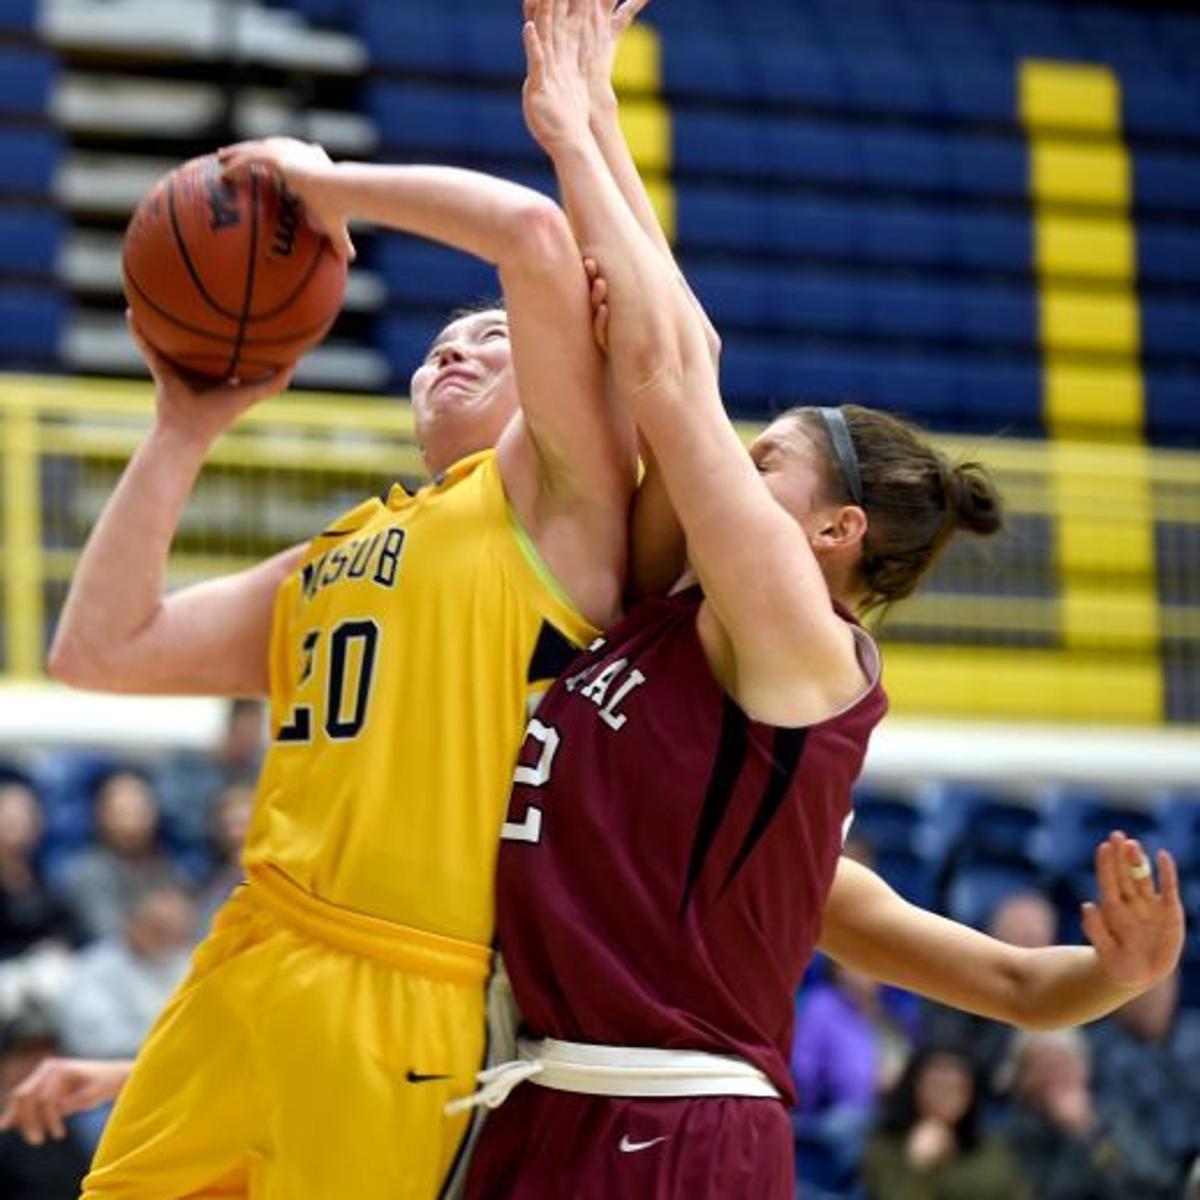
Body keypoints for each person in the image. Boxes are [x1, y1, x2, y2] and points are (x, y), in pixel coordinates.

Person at [456, 2, 1186, 1196]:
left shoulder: (806, 643)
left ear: (835, 533)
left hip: (673, 1133)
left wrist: (575, 129)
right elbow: (1011, 985)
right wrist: (590, 113)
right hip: (558, 1104)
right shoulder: (734, 770)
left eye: (762, 467)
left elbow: (670, 374)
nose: (726, 468)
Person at [43, 125, 637, 1196]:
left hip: (405, 979)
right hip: (247, 949)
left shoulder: (556, 504)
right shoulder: (334, 554)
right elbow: (99, 650)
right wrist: (182, 428)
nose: (455, 349)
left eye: (493, 337)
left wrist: (327, 189)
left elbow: (532, 233)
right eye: (441, 344)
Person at [1005, 1028, 1176, 1200]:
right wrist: (1075, 1134)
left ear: (1083, 1069)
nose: (1054, 1076)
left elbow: (1157, 1177)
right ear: (1022, 1080)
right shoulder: (1017, 1137)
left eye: (1062, 1063)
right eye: (1042, 1066)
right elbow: (1055, 1193)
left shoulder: (1114, 1115)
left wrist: (1091, 1130)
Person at [920, 891, 1057, 1098]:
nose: (1032, 949)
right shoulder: (961, 986)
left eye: (1039, 938)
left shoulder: (1058, 1000)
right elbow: (952, 1058)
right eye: (1023, 937)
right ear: (994, 938)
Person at [862, 1047, 1031, 1200]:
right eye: (937, 1083)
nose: (946, 1093)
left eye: (957, 1085)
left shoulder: (989, 1146)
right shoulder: (885, 1144)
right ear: (915, 1087)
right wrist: (918, 1165)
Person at [1086, 971, 1200, 1195]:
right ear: (1114, 999)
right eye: (1142, 990)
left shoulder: (1196, 1035)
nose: (1152, 998)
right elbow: (1114, 1131)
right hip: (1145, 1184)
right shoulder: (1096, 1055)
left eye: (1160, 986)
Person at [59, 770, 184, 943]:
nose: (131, 823)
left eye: (138, 811)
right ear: (101, 815)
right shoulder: (85, 873)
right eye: (121, 811)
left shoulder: (172, 872)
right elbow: (108, 935)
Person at [0, 774, 80, 960]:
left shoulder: (46, 876)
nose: (17, 820)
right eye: (7, 812)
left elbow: (75, 931)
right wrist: (28, 952)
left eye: (25, 812)